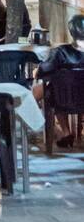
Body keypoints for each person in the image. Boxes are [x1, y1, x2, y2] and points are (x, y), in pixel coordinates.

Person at [34, 15, 84, 148]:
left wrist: (37, 71)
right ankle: (65, 133)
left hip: (62, 99)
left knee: (44, 91)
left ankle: (61, 132)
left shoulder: (60, 52)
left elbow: (43, 71)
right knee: (58, 89)